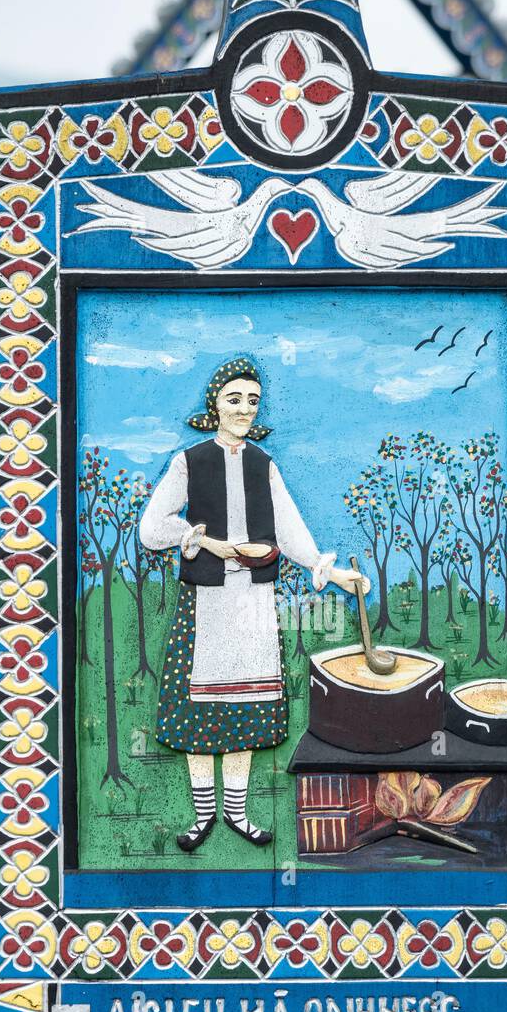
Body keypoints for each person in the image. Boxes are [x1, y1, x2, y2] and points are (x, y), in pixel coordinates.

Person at [139, 357, 365, 852]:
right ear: (215, 404)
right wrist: (199, 539)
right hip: (207, 600)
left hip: (255, 601)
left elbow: (290, 529)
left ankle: (238, 815)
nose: (244, 408)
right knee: (201, 711)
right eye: (234, 398)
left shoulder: (264, 464)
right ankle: (202, 818)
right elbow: (152, 528)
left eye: (252, 400)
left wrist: (334, 575)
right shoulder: (190, 461)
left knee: (244, 709)